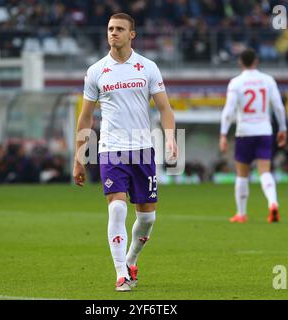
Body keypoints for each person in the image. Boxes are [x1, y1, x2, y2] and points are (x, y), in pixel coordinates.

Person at [72, 13, 177, 292]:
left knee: (147, 219)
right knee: (117, 209)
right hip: (111, 149)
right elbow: (85, 119)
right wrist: (79, 157)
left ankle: (131, 259)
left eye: (119, 29)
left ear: (132, 34)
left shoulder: (147, 67)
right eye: (110, 28)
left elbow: (165, 108)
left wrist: (171, 139)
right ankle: (121, 274)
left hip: (142, 150)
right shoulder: (96, 71)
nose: (113, 33)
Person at [219, 48, 287, 224]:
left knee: (242, 174)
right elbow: (279, 107)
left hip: (245, 132)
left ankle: (241, 214)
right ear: (256, 61)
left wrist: (223, 133)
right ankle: (273, 203)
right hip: (264, 130)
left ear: (240, 62)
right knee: (265, 171)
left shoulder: (236, 82)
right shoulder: (268, 80)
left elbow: (229, 111)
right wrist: (283, 128)